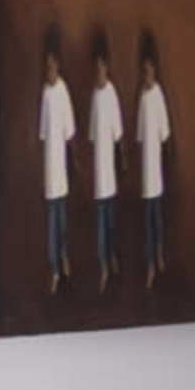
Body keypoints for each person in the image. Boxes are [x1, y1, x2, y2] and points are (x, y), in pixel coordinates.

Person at [37, 28, 76, 293]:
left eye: (52, 66)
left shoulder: (62, 91)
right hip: (49, 166)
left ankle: (63, 256)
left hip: (60, 164)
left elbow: (69, 129)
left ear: (57, 66)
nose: (49, 71)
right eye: (46, 67)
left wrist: (70, 158)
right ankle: (53, 267)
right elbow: (43, 131)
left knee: (62, 216)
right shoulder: (45, 92)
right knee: (52, 217)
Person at [134, 28, 173, 289]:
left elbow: (164, 133)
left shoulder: (158, 96)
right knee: (147, 221)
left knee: (157, 217)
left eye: (150, 71)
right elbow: (139, 135)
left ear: (155, 71)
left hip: (156, 171)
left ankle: (159, 254)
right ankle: (149, 263)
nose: (147, 75)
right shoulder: (142, 97)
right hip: (145, 172)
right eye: (143, 71)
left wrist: (163, 158)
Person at [84, 33, 123, 290]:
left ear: (107, 68)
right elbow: (91, 133)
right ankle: (103, 265)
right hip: (99, 168)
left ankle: (112, 255)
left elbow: (118, 133)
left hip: (109, 166)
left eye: (102, 67)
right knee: (100, 218)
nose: (99, 71)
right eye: (95, 68)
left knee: (110, 216)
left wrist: (121, 159)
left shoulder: (111, 94)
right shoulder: (94, 97)